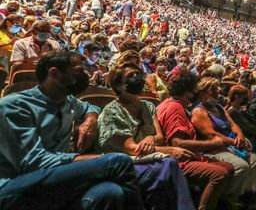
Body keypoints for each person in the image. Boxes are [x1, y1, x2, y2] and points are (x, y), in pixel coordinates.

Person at [0, 50, 145, 209]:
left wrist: (91, 119)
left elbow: (91, 107)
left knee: (110, 192)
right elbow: (33, 161)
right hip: (14, 185)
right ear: (54, 73)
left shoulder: (67, 100)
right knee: (118, 161)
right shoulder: (15, 106)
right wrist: (84, 158)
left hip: (53, 179)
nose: (85, 76)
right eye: (78, 71)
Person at [98, 62, 197, 210]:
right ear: (118, 86)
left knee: (168, 166)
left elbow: (159, 137)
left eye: (137, 74)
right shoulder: (112, 112)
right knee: (169, 164)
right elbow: (133, 149)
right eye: (130, 76)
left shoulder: (148, 106)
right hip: (124, 163)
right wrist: (169, 150)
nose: (136, 77)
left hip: (149, 157)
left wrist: (151, 138)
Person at [156, 73, 234, 210]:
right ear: (187, 93)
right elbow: (178, 143)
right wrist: (213, 144)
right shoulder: (175, 108)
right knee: (219, 174)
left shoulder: (169, 103)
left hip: (186, 155)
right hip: (178, 159)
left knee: (228, 167)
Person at [192, 78, 256, 205]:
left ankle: (245, 195)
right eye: (212, 90)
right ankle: (227, 198)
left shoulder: (218, 107)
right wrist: (233, 141)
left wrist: (240, 135)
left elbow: (233, 124)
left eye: (216, 90)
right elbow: (211, 134)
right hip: (214, 149)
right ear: (202, 93)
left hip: (229, 146)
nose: (216, 93)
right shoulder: (199, 111)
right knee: (242, 166)